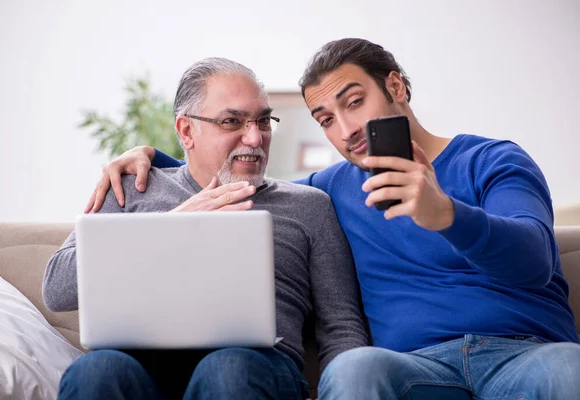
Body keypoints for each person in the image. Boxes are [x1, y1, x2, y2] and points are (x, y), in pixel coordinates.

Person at [86, 39, 580, 399]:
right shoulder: (331, 190)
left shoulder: (492, 161)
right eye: (325, 119)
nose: (345, 131)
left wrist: (447, 214)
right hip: (412, 369)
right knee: (354, 371)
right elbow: (250, 188)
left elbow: (535, 260)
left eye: (354, 102)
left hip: (528, 355)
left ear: (396, 86)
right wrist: (155, 157)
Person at [44, 57, 369, 400]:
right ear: (186, 131)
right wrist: (174, 227)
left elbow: (342, 325)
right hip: (137, 365)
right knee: (95, 371)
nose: (255, 137)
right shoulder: (130, 188)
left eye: (263, 120)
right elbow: (56, 289)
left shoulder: (308, 206)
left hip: (254, 367)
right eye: (232, 121)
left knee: (229, 370)